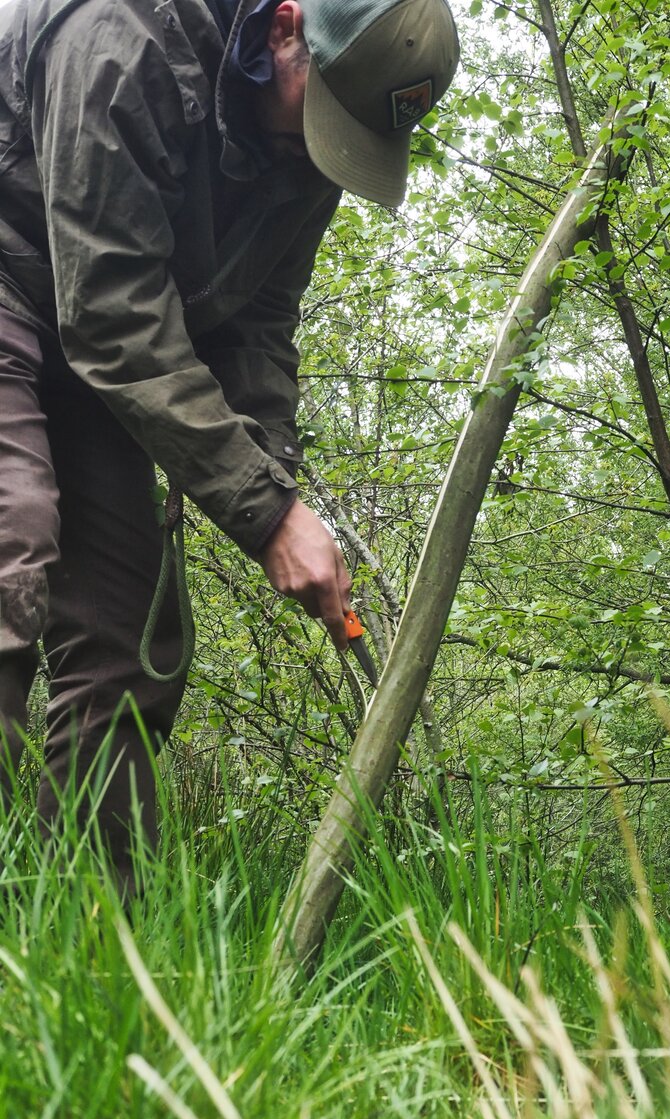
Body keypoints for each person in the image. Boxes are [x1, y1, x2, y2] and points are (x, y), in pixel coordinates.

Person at [0, 0, 460, 880]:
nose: (321, 149)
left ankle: (86, 946)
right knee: (9, 547)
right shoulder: (123, 38)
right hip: (23, 271)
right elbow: (109, 315)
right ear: (286, 27)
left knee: (132, 640)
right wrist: (264, 513)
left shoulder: (309, 143)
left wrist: (274, 482)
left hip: (98, 334)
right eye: (322, 116)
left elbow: (259, 322)